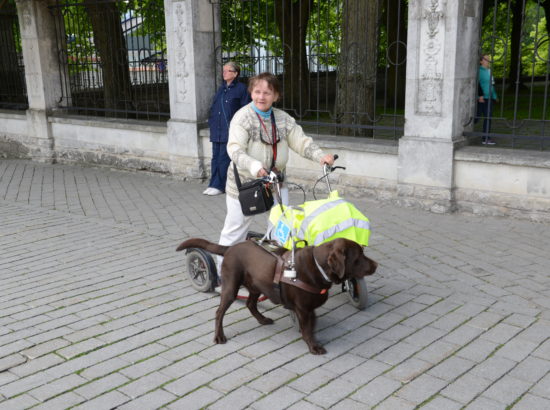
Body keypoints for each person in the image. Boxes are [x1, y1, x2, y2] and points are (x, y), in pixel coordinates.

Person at [216, 72, 335, 289]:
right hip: (246, 183)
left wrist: (321, 157)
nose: (261, 97)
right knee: (236, 229)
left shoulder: (283, 119)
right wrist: (255, 167)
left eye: (267, 93)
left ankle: (272, 271)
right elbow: (234, 150)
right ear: (251, 92)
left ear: (276, 96)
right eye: (257, 91)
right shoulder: (242, 118)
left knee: (281, 229)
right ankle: (222, 272)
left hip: (276, 182)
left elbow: (302, 142)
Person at [204, 62, 251, 196]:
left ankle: (221, 186)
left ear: (235, 74)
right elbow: (214, 106)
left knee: (224, 158)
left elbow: (244, 110)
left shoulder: (242, 89)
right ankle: (213, 183)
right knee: (215, 157)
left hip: (230, 129)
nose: (224, 73)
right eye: (223, 70)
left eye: (227, 71)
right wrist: (212, 120)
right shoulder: (222, 89)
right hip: (217, 129)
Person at [477, 54, 498, 145]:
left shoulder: (489, 71)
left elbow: (492, 84)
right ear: (481, 61)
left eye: (489, 59)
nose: (488, 61)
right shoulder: (479, 71)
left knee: (488, 117)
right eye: (486, 59)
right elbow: (477, 83)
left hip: (489, 98)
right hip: (482, 98)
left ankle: (486, 138)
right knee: (476, 118)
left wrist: (495, 96)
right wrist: (480, 96)